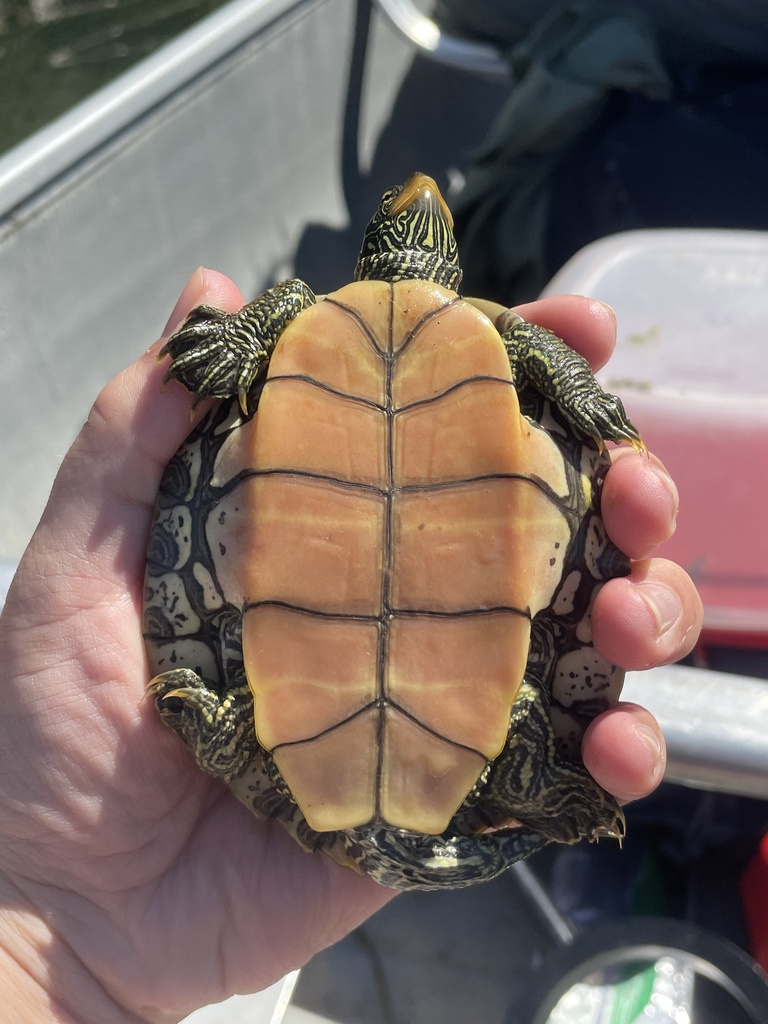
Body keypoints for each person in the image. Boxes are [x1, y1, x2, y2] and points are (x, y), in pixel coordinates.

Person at [0, 269, 702, 1023]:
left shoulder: (297, 319)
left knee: (238, 714)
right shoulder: (506, 346)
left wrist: (57, 934)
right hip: (297, 771)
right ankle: (532, 785)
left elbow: (214, 376)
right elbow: (584, 413)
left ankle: (508, 781)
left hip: (241, 758)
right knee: (541, 722)